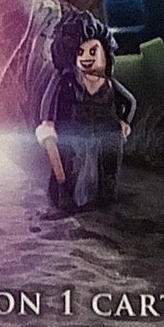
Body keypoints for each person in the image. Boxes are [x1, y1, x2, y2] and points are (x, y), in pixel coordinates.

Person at [35, 11, 135, 211]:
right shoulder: (66, 81)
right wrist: (48, 122)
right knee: (71, 165)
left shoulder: (108, 83)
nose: (87, 58)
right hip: (75, 131)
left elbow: (130, 101)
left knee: (105, 167)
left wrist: (125, 122)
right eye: (80, 52)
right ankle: (66, 194)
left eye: (93, 51)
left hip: (105, 132)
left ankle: (105, 196)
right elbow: (49, 101)